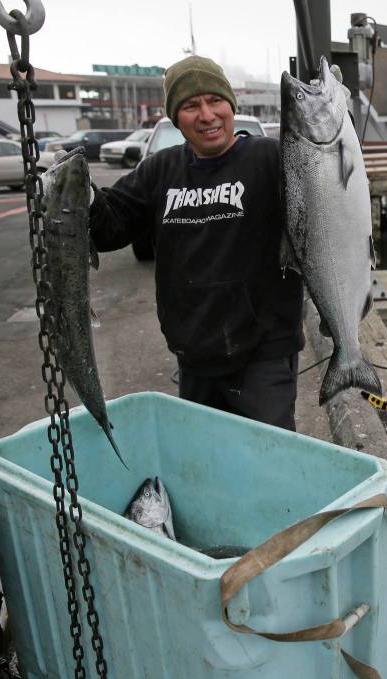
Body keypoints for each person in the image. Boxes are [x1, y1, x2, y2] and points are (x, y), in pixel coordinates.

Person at [86, 56, 304, 430]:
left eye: (215, 101)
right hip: (194, 355)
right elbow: (110, 228)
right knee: (206, 464)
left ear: (230, 104)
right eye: (191, 106)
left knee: (268, 466)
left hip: (263, 354)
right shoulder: (160, 169)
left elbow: (327, 201)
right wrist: (79, 196)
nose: (207, 115)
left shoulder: (273, 158)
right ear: (175, 117)